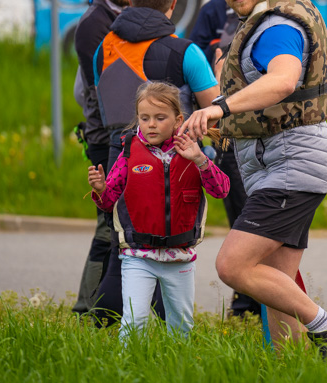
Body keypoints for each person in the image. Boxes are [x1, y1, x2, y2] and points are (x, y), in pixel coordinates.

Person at [179, 0, 327, 360]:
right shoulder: (293, 12)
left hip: (289, 165)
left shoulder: (274, 27)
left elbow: (284, 80)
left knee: (233, 266)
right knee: (277, 284)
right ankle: (290, 366)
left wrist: (219, 107)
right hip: (285, 164)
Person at [90, 0, 220, 325]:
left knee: (127, 242)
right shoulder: (185, 51)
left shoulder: (105, 47)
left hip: (121, 155)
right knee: (170, 237)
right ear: (174, 1)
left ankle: (107, 321)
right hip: (174, 161)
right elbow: (215, 108)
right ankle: (170, 324)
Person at [187, 0, 284, 318]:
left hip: (279, 149)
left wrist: (222, 105)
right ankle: (257, 315)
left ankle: (321, 323)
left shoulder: (286, 17)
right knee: (244, 225)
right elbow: (192, 60)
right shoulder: (215, 11)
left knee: (254, 244)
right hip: (234, 143)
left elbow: (290, 77)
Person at [88, 81, 230, 338]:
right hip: (137, 256)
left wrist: (200, 159)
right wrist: (99, 190)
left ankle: (178, 368)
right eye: (144, 118)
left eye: (159, 118)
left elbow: (221, 190)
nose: (151, 124)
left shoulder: (191, 152)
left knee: (181, 327)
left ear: (177, 120)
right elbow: (109, 202)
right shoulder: (129, 153)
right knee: (134, 322)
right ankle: (127, 371)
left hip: (180, 256)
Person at [72, 0, 143, 316]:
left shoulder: (124, 14)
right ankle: (88, 307)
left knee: (119, 225)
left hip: (125, 132)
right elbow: (104, 92)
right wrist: (109, 143)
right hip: (106, 136)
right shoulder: (95, 25)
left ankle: (108, 306)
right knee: (108, 226)